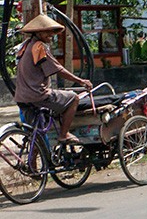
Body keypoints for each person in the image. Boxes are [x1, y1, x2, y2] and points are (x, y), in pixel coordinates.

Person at [14, 14, 93, 143]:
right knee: (73, 98)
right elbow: (58, 69)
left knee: (35, 135)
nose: (51, 34)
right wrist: (81, 81)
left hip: (22, 98)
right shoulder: (39, 47)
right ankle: (64, 134)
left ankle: (32, 162)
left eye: (52, 31)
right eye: (47, 31)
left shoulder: (25, 46)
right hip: (37, 95)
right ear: (38, 33)